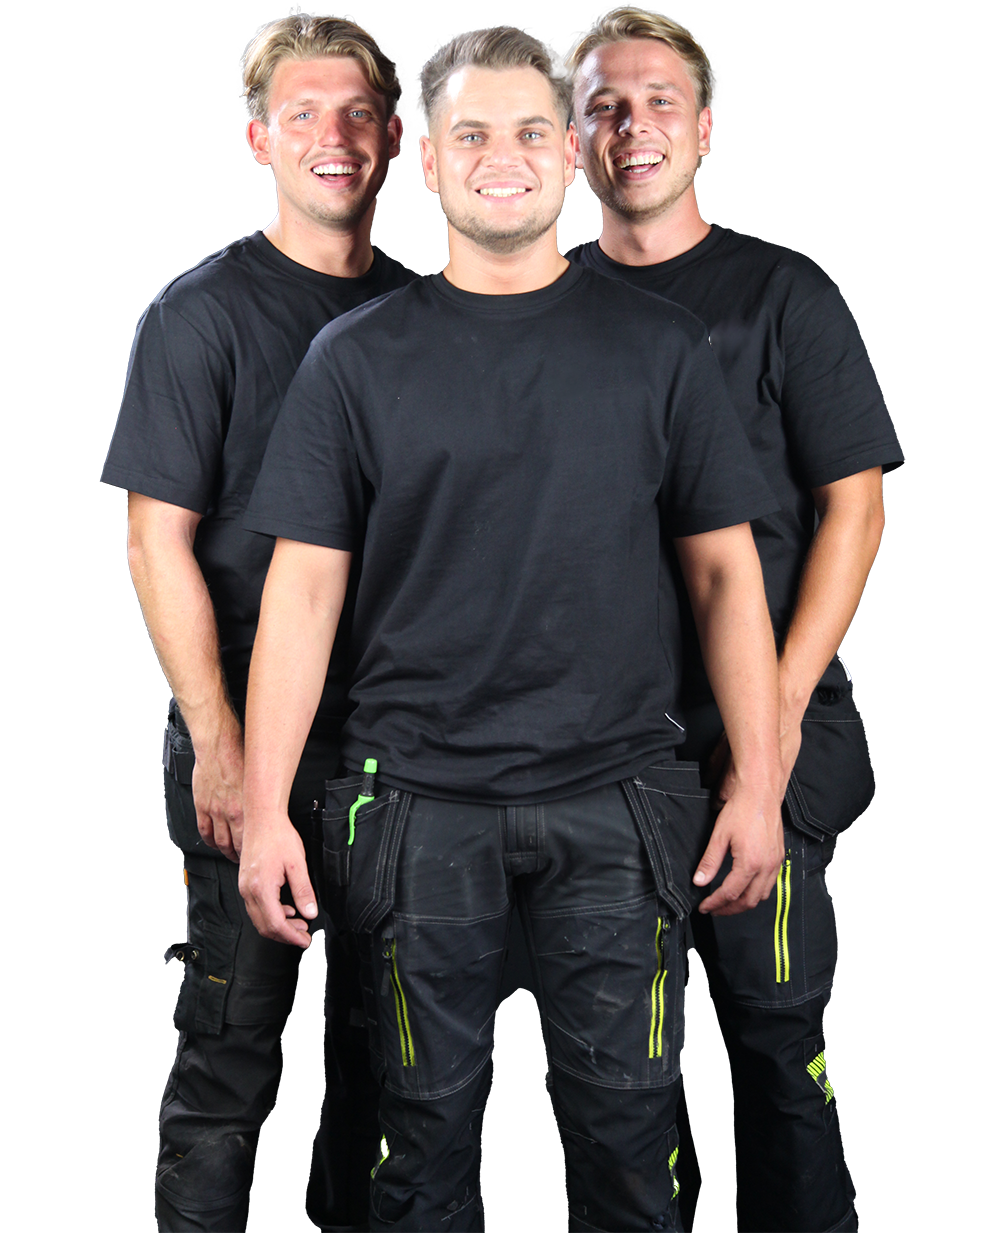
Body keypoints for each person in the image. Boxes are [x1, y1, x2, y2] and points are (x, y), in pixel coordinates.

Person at [238, 25, 786, 1233]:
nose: (506, 155)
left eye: (534, 130)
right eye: (473, 133)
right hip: (413, 802)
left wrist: (758, 785)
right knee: (415, 1152)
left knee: (634, 1148)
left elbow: (724, 579)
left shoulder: (661, 347)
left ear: (570, 154)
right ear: (428, 162)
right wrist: (267, 806)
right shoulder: (352, 359)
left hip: (619, 799)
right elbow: (303, 594)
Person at [563, 10, 903, 1233]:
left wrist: (778, 719)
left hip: (765, 735)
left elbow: (853, 510)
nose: (632, 126)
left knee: (776, 1045)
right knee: (622, 1078)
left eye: (659, 101)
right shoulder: (541, 298)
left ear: (705, 130)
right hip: (601, 748)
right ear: (570, 138)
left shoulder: (780, 293)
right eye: (603, 105)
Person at [100, 14, 418, 1231]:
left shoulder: (429, 309)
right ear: (258, 140)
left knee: (387, 1068)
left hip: (402, 749)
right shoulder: (202, 315)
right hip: (248, 739)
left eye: (357, 113)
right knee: (228, 1058)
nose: (333, 137)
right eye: (303, 114)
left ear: (394, 135)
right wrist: (225, 747)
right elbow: (155, 543)